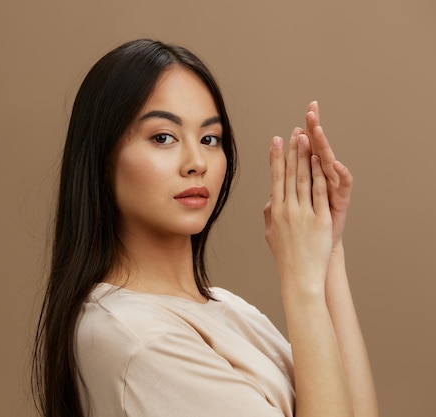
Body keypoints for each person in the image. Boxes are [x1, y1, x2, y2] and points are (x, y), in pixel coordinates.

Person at [32, 39, 378, 417]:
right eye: (163, 137)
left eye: (210, 139)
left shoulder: (228, 309)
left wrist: (327, 252)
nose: (197, 161)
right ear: (101, 156)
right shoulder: (139, 338)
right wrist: (301, 283)